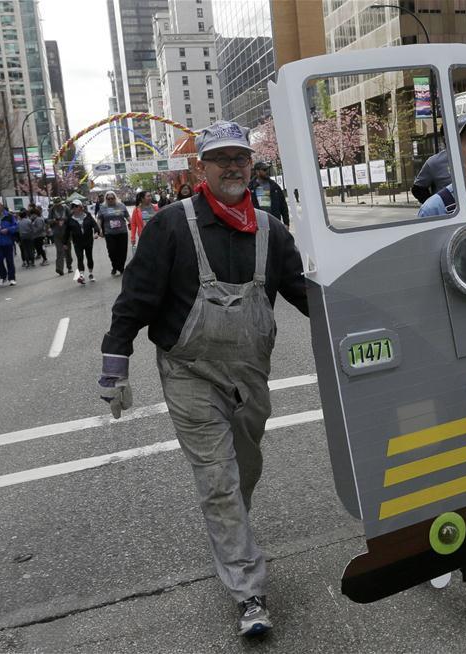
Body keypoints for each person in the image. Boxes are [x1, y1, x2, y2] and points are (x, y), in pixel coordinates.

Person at [98, 120, 308, 638]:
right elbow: (136, 299)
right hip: (189, 373)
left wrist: (364, 328)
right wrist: (114, 365)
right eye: (222, 160)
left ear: (252, 165)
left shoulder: (271, 230)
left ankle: (231, 533)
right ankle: (249, 593)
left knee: (243, 474)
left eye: (241, 158)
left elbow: (309, 296)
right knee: (218, 479)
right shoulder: (172, 225)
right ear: (202, 168)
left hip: (250, 376)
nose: (234, 167)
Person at [64, 199, 101, 284]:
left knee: (89, 257)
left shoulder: (87, 215)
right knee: (80, 257)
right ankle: (82, 275)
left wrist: (96, 232)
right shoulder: (70, 218)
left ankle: (91, 274)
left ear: (81, 207)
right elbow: (66, 231)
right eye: (73, 206)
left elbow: (94, 225)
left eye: (76, 206)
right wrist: (65, 243)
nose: (74, 208)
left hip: (88, 240)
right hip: (77, 241)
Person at [97, 191, 130, 276]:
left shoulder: (121, 205)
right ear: (106, 199)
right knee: (112, 251)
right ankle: (115, 266)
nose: (110, 200)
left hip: (122, 231)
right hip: (109, 232)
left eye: (112, 198)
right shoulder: (103, 207)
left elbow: (127, 216)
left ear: (115, 198)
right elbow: (99, 219)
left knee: (122, 251)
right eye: (108, 199)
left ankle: (121, 267)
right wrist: (99, 229)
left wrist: (132, 223)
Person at [249, 162, 290, 226]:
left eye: (267, 169)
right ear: (257, 172)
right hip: (258, 224)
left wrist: (286, 223)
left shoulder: (274, 186)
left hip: (274, 222)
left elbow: (283, 205)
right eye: (264, 170)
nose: (267, 171)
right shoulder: (250, 187)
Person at [51, 204, 73, 276]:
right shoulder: (52, 210)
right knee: (60, 251)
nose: (57, 205)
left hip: (66, 234)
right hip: (57, 234)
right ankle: (59, 268)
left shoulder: (66, 208)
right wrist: (54, 221)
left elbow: (71, 218)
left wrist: (64, 220)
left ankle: (69, 266)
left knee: (68, 251)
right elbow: (47, 220)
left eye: (59, 204)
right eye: (56, 204)